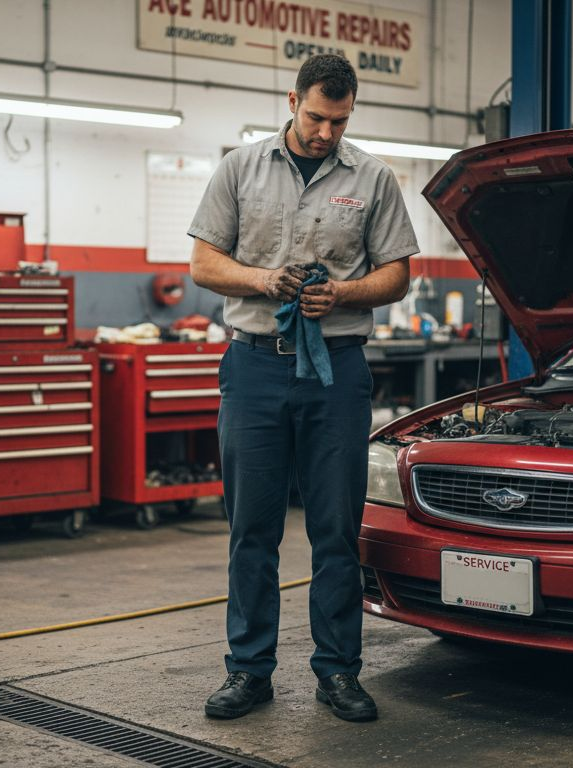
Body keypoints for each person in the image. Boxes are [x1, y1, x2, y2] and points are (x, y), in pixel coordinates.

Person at [187, 53, 418, 722]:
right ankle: (249, 671)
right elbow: (203, 262)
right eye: (316, 117)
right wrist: (263, 280)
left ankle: (339, 671)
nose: (325, 133)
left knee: (336, 530)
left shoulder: (372, 176)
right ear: (291, 100)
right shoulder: (240, 168)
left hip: (337, 368)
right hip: (255, 365)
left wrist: (343, 293)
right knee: (251, 530)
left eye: (339, 121)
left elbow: (398, 275)